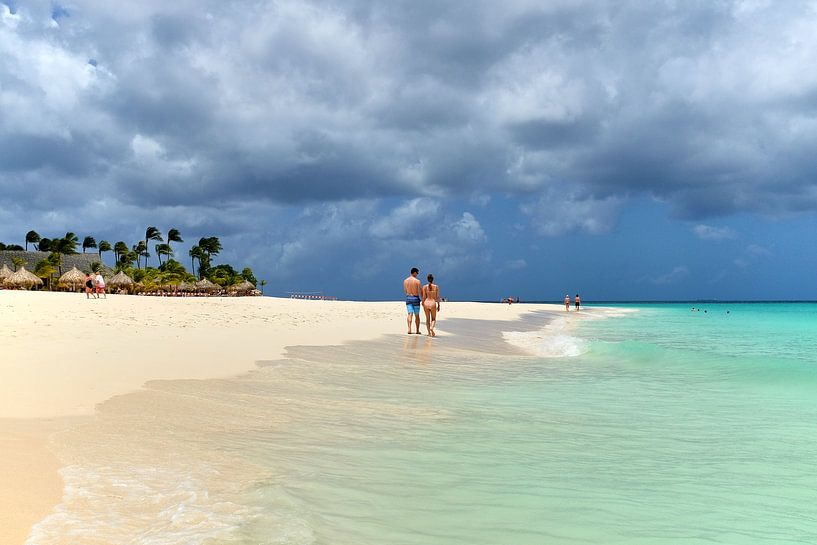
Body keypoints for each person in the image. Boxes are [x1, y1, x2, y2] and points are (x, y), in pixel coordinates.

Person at [403, 267, 422, 334]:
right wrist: (422, 299)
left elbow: (405, 291)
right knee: (417, 315)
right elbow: (420, 291)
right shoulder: (417, 281)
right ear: (414, 272)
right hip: (416, 298)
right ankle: (417, 330)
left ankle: (409, 329)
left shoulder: (405, 281)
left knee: (409, 314)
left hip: (408, 298)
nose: (417, 274)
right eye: (417, 273)